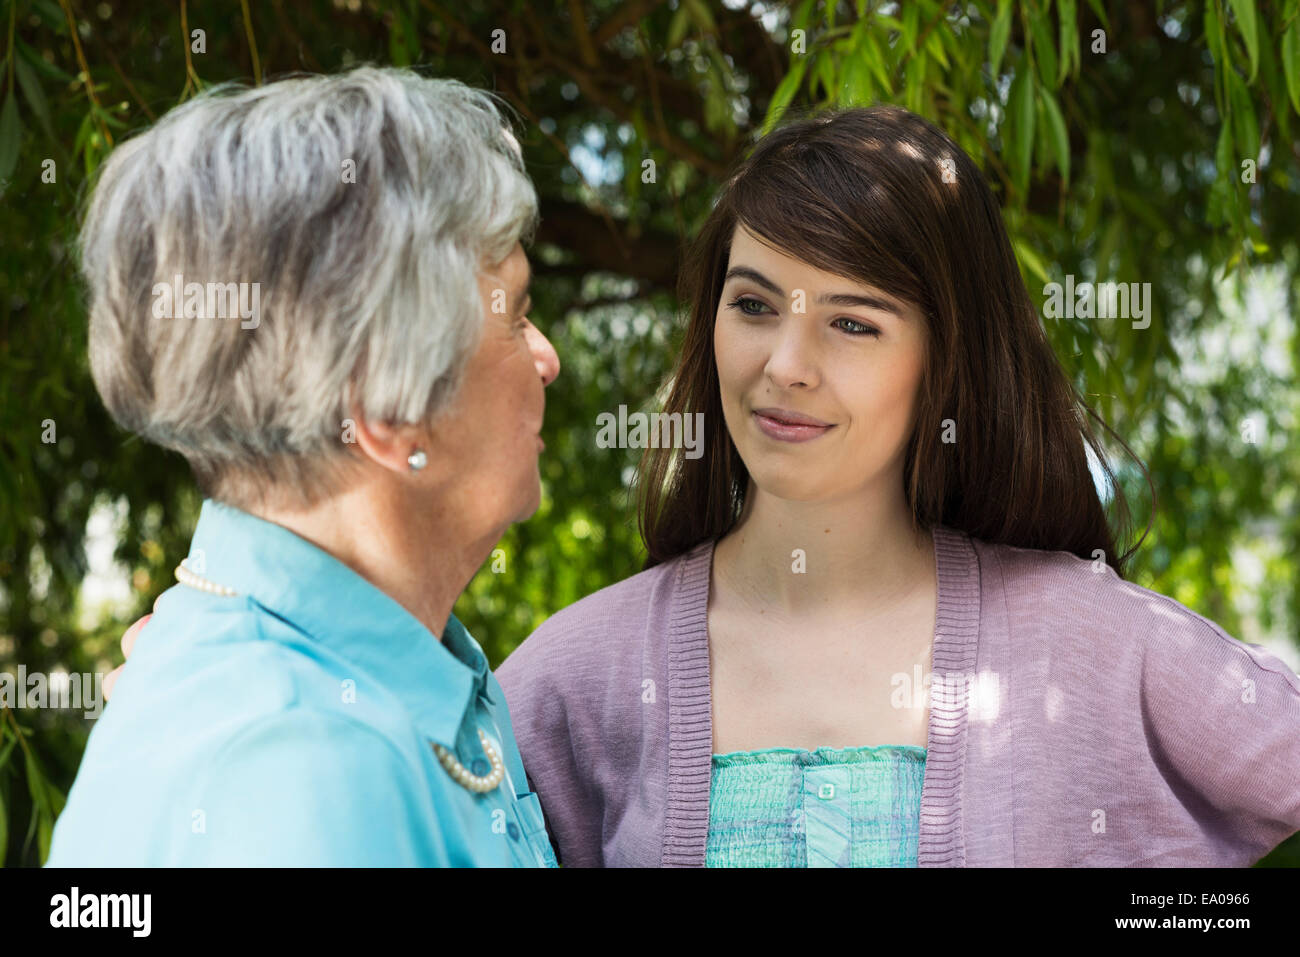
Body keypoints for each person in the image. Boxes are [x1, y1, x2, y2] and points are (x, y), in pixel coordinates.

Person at [494, 105, 1300, 867]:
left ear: (944, 360)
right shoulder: (582, 672)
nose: (784, 366)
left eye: (852, 323)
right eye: (753, 305)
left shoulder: (1086, 639)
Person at [48, 66, 561, 866]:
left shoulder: (389, 670)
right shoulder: (299, 772)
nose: (547, 358)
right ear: (390, 410)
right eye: (516, 318)